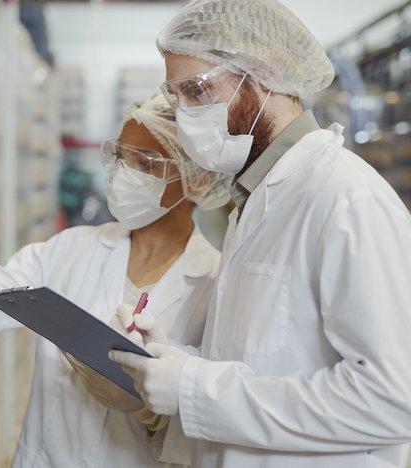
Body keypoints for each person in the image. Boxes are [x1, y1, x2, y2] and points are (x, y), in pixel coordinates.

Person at [109, 1, 411, 468]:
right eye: (177, 97)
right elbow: (270, 360)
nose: (186, 116)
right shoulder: (253, 203)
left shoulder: (345, 199)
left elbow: (393, 400)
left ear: (266, 69)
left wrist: (196, 389)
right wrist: (176, 359)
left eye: (197, 90)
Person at [0, 93, 231, 468]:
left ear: (197, 177)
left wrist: (153, 409)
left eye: (145, 163)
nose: (123, 173)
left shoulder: (217, 285)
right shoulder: (71, 249)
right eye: (119, 156)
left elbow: (215, 422)